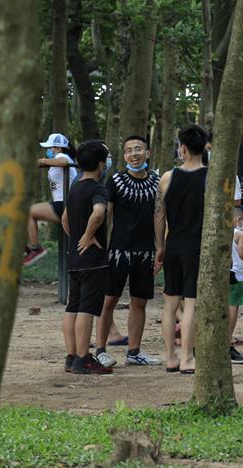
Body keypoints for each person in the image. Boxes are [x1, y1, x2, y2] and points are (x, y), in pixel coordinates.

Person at [94, 135, 163, 368]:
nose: (134, 154)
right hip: (118, 251)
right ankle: (100, 350)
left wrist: (160, 247)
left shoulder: (157, 182)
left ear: (148, 153)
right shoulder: (115, 181)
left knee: (139, 302)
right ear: (124, 156)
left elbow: (159, 216)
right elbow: (106, 215)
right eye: (129, 150)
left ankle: (134, 352)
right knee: (108, 300)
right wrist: (102, 246)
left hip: (145, 252)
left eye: (138, 149)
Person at [155, 125, 208, 374]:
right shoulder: (211, 178)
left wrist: (160, 246)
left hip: (173, 245)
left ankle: (170, 358)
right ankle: (187, 357)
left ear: (182, 149)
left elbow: (159, 216)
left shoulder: (167, 178)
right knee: (192, 303)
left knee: (170, 304)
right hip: (197, 247)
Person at [61, 140, 112, 375]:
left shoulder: (74, 188)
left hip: (74, 258)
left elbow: (64, 219)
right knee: (87, 308)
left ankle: (71, 356)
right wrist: (88, 236)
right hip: (93, 261)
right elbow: (99, 212)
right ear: (101, 164)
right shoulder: (97, 188)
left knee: (72, 306)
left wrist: (75, 239)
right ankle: (83, 358)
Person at [24, 133, 79, 266]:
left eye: (50, 148)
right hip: (61, 203)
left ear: (58, 148)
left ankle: (35, 249)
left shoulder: (62, 157)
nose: (49, 150)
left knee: (28, 212)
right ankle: (28, 247)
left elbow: (64, 162)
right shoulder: (56, 159)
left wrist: (42, 161)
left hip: (65, 204)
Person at [228, 208, 243, 364]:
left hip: (223, 273)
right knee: (233, 307)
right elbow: (242, 254)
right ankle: (228, 340)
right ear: (239, 219)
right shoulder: (240, 234)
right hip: (236, 274)